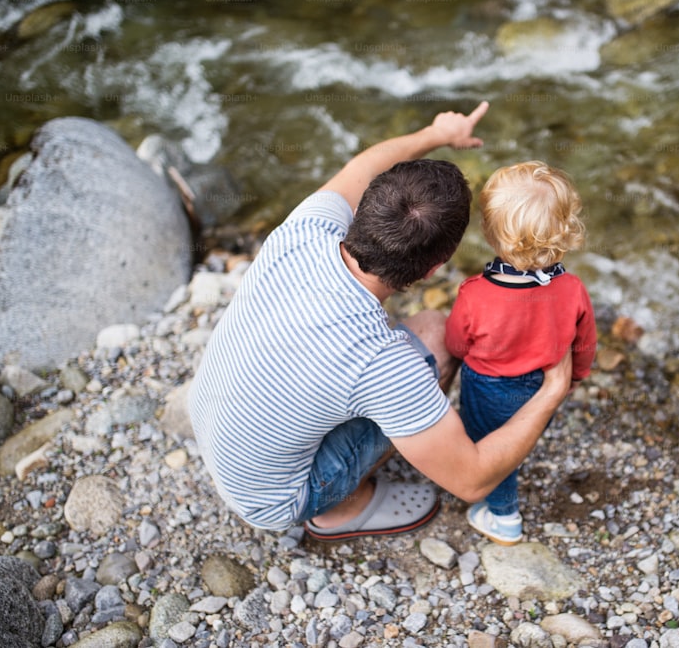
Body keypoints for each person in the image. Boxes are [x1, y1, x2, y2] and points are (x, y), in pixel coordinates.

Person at [188, 102, 574, 542]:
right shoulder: (380, 362)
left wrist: (436, 132)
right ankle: (342, 510)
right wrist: (551, 392)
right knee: (436, 335)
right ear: (433, 269)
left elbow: (366, 162)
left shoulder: (305, 229)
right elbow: (473, 480)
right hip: (271, 499)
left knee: (392, 361)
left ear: (367, 202)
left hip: (211, 424)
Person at [445, 161, 597, 545]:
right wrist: (575, 377)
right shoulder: (573, 288)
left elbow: (456, 344)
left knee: (494, 451)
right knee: (519, 439)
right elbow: (584, 343)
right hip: (542, 385)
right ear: (564, 232)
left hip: (488, 386)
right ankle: (503, 493)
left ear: (492, 235)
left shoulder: (476, 293)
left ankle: (504, 516)